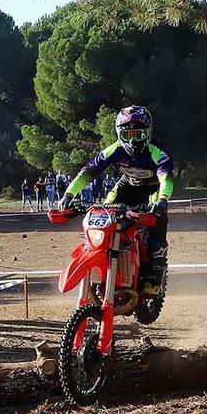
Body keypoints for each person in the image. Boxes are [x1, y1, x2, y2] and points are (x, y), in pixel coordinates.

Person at [59, 105, 174, 295]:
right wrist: (69, 194)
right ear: (119, 133)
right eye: (127, 134)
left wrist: (162, 199)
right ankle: (104, 259)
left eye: (137, 134)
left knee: (157, 216)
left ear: (148, 133)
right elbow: (89, 171)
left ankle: (156, 266)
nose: (132, 140)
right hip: (127, 186)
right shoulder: (115, 149)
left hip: (153, 188)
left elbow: (165, 178)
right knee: (103, 216)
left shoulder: (157, 151)